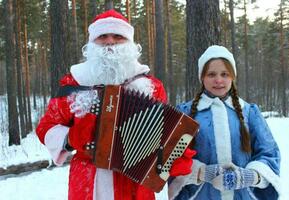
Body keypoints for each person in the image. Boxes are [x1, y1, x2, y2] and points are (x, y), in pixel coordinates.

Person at [36, 9, 193, 200]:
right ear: (92, 43)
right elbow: (46, 127)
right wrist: (70, 138)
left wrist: (174, 155)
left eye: (118, 36)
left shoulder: (151, 85)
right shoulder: (75, 82)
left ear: (129, 43)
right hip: (88, 182)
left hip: (135, 183)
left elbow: (165, 134)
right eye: (102, 36)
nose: (110, 41)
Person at [168, 45, 281, 200]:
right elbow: (171, 157)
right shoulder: (185, 113)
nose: (218, 80)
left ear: (232, 77)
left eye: (225, 74)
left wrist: (249, 176)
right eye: (211, 74)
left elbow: (269, 153)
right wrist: (201, 173)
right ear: (202, 77)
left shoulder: (249, 112)